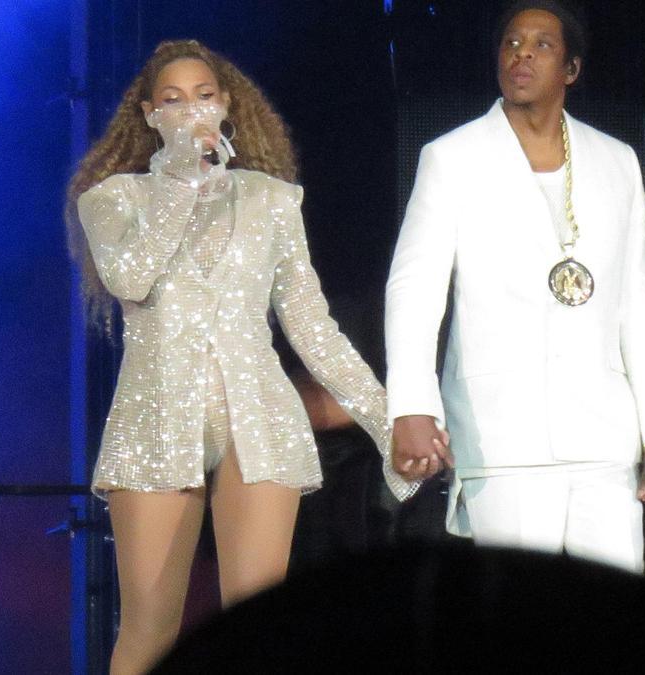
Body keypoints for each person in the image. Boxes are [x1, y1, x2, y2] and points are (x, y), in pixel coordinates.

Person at [65, 40, 417, 674]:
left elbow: (312, 327)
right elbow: (130, 280)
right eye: (172, 101)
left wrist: (386, 418)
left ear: (225, 107)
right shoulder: (113, 199)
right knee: (149, 626)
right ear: (149, 115)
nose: (190, 111)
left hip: (259, 419)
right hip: (154, 420)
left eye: (203, 96)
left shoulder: (271, 201)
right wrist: (177, 180)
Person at [384, 0, 645, 574]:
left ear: (571, 69)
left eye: (542, 44)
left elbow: (640, 307)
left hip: (604, 436)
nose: (521, 53)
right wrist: (412, 408)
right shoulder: (452, 158)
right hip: (502, 434)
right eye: (511, 43)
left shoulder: (615, 161)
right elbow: (414, 291)